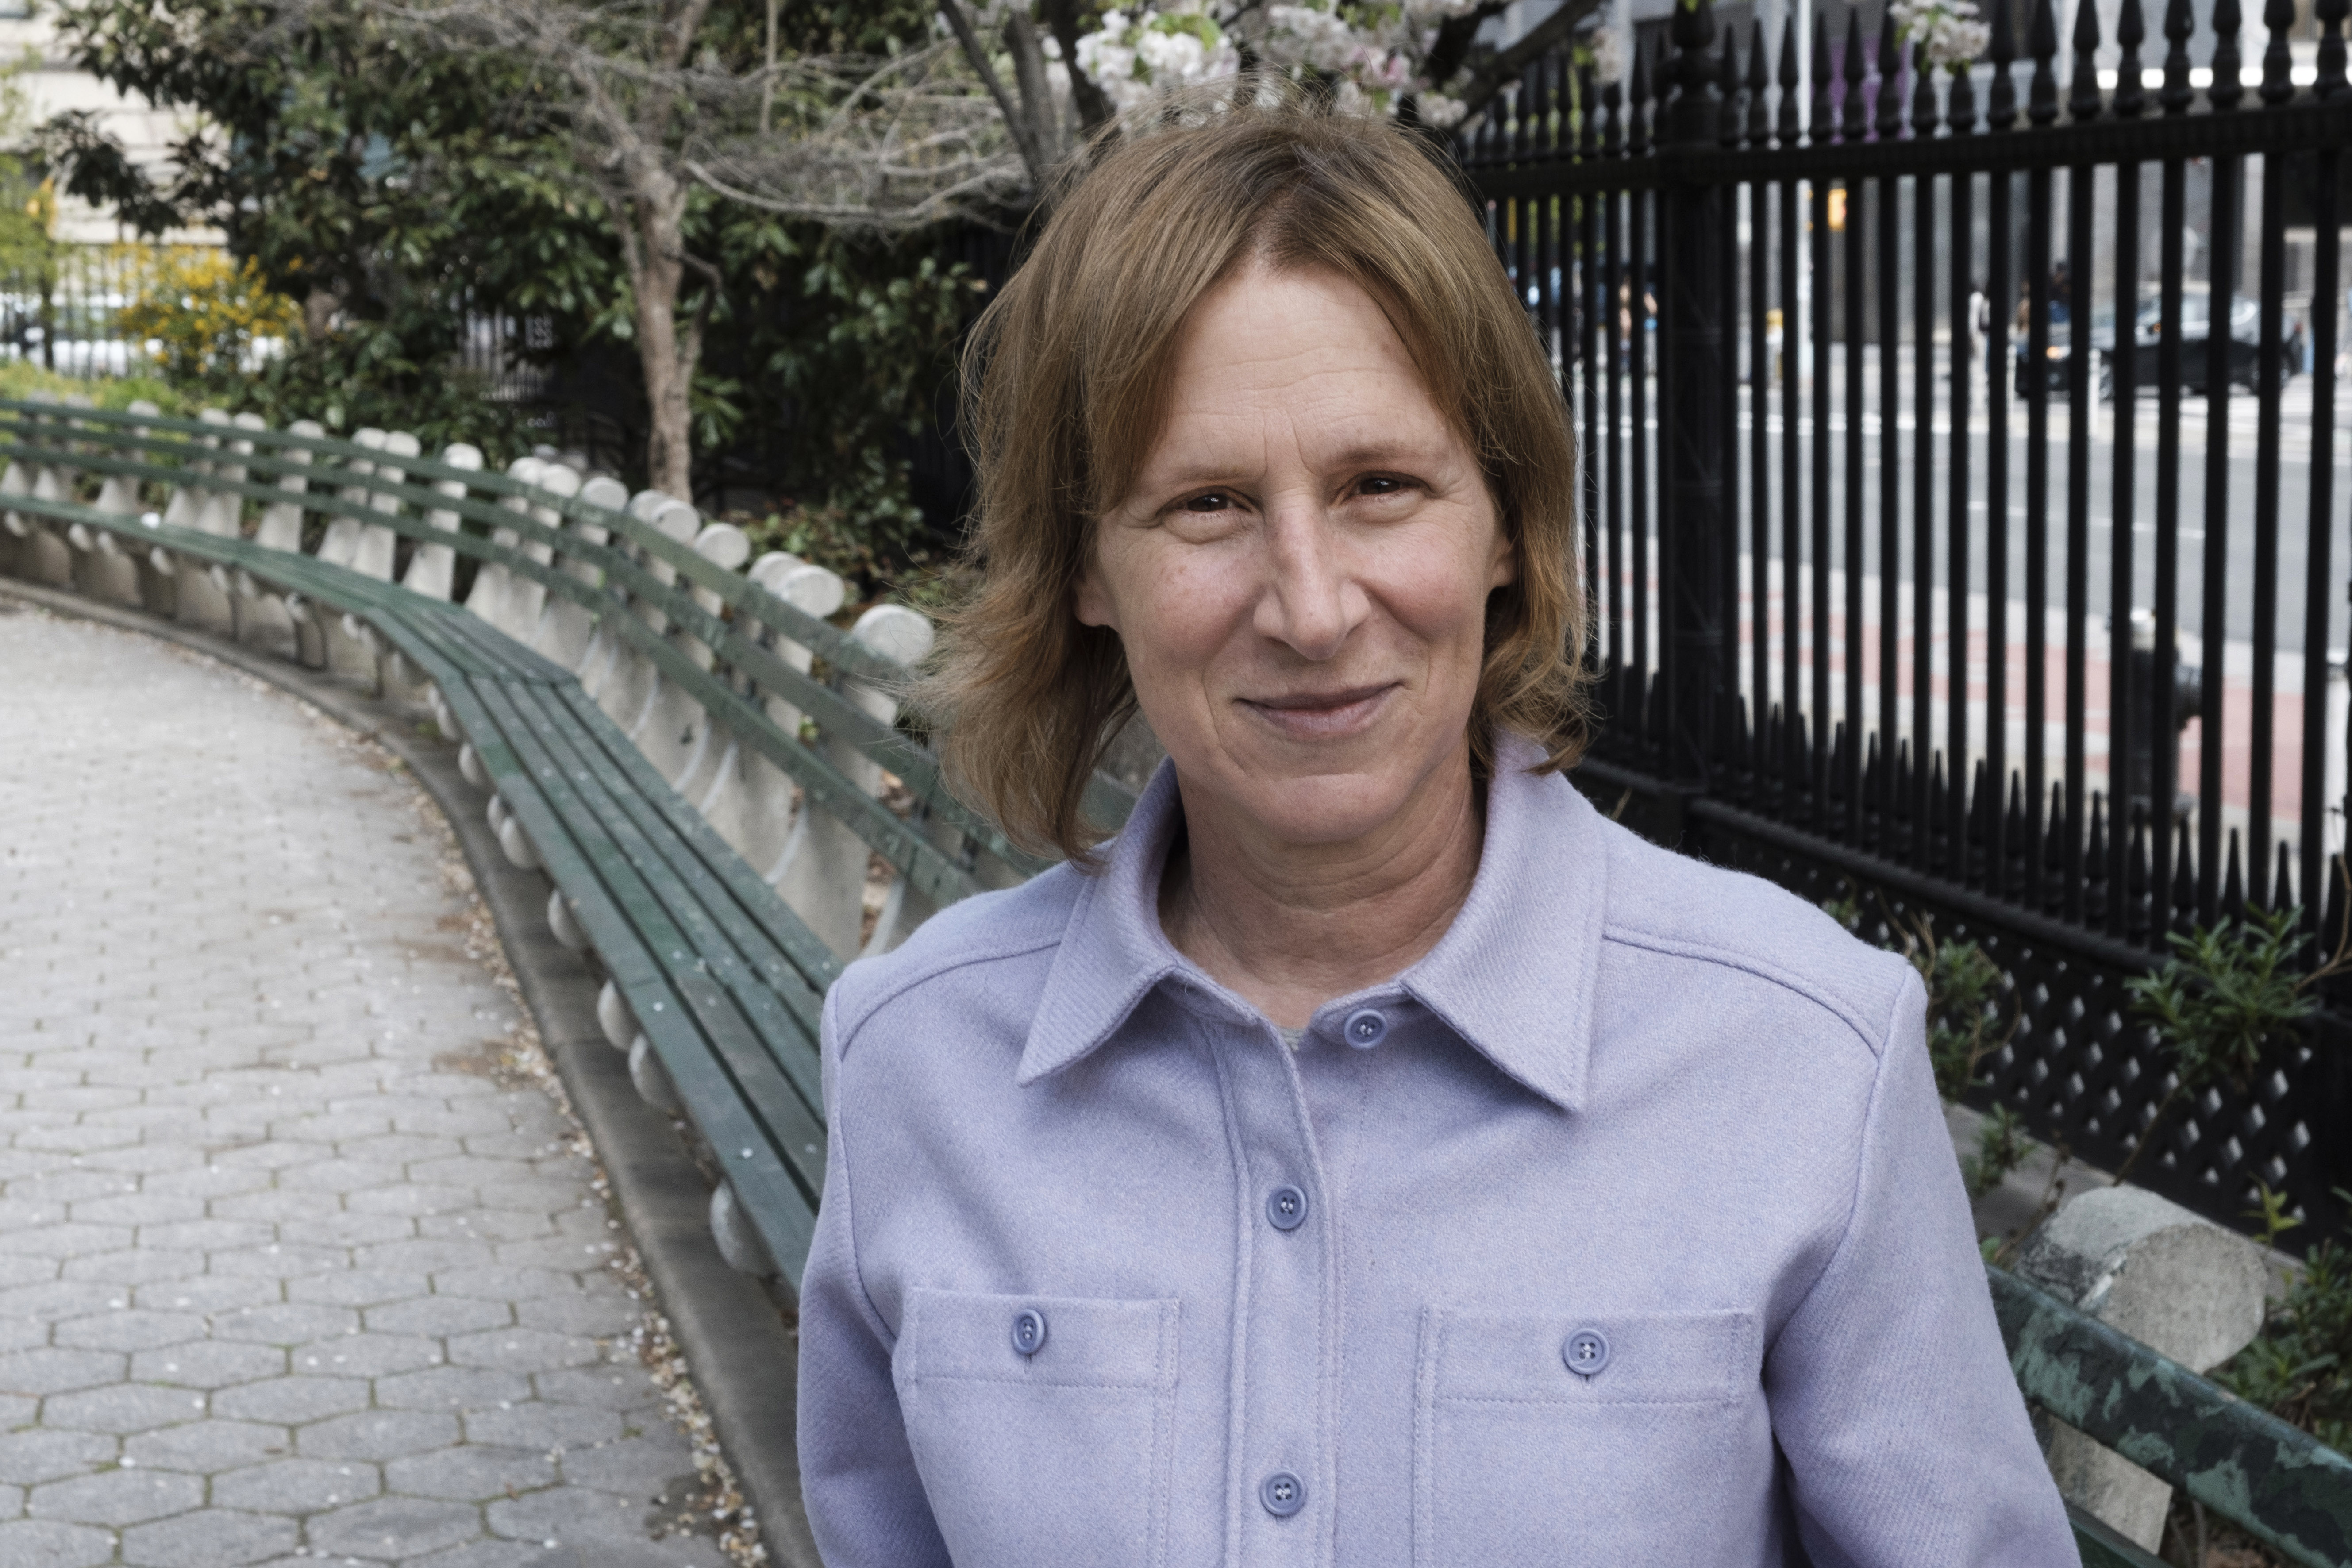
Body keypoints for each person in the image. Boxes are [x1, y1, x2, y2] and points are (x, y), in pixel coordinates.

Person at [796, 84, 2076, 1567]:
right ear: (1085, 567)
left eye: (1380, 487)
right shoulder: (915, 1063)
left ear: (1504, 527)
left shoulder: (1801, 1059)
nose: (1311, 607)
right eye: (1206, 504)